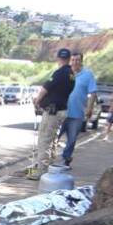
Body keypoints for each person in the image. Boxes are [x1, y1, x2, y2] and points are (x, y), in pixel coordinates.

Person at [31, 48, 75, 180]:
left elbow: (45, 88)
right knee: (52, 140)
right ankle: (49, 167)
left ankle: (41, 170)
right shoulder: (71, 74)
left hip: (52, 111)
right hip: (61, 110)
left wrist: (37, 100)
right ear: (69, 59)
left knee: (44, 140)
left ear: (58, 58)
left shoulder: (59, 73)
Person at [60, 52, 97, 167]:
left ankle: (66, 159)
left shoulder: (88, 74)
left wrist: (89, 108)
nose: (75, 62)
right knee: (54, 137)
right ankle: (46, 160)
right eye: (73, 60)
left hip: (77, 114)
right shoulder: (65, 72)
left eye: (77, 60)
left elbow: (93, 93)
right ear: (70, 61)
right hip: (61, 112)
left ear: (81, 61)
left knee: (71, 140)